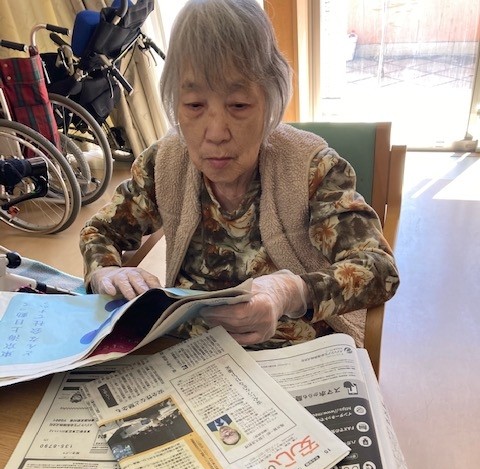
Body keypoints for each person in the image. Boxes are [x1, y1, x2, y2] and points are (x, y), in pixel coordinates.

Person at [79, 0, 399, 349]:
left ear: (271, 101)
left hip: (294, 352)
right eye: (194, 105)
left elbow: (379, 268)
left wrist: (288, 291)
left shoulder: (312, 169)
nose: (216, 133)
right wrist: (107, 270)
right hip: (188, 351)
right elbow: (100, 231)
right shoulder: (163, 164)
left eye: (239, 105)